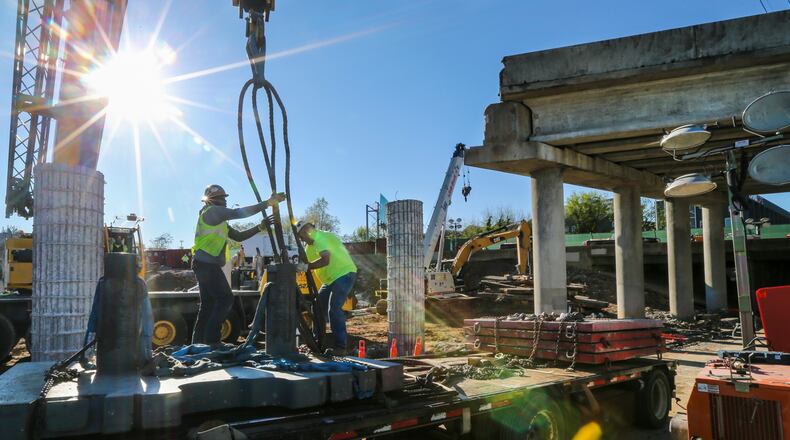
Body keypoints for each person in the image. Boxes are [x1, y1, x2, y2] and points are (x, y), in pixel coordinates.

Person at [191, 184, 285, 348]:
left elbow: (239, 236)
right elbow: (237, 213)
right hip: (207, 264)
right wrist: (268, 203)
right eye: (222, 198)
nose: (225, 201)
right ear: (213, 200)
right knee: (225, 298)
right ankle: (212, 341)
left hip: (203, 263)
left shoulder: (219, 221)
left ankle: (198, 344)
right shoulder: (212, 211)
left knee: (208, 305)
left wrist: (260, 227)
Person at [295, 220, 357, 355]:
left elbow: (325, 260)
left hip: (343, 273)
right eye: (303, 233)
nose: (307, 233)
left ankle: (341, 347)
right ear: (301, 237)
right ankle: (317, 343)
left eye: (308, 229)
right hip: (330, 280)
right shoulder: (308, 249)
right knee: (317, 308)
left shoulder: (322, 237)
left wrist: (307, 266)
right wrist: (300, 265)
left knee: (333, 309)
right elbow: (306, 263)